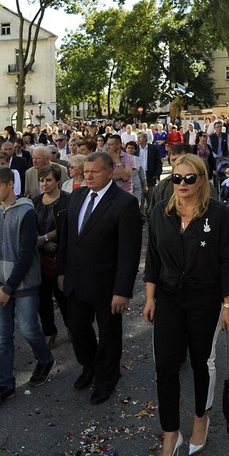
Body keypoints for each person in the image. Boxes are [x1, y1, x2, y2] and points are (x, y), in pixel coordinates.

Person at [143, 154, 229, 456]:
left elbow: (227, 261)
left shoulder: (218, 213)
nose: (182, 184)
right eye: (177, 178)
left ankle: (201, 418)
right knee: (165, 366)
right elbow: (153, 259)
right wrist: (148, 298)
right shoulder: (160, 211)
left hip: (205, 298)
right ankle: (171, 433)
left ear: (201, 180)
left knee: (202, 361)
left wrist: (228, 304)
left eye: (189, 178)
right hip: (169, 297)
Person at [57, 152, 142, 405]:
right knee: (77, 326)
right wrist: (61, 270)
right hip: (75, 281)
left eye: (94, 171)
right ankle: (90, 366)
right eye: (86, 171)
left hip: (107, 287)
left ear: (110, 171)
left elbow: (129, 252)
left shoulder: (125, 203)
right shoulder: (78, 195)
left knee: (109, 335)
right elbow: (67, 237)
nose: (88, 175)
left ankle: (107, 377)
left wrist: (122, 290)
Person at [0, 167, 55, 410]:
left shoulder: (26, 213)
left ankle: (44, 360)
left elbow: (26, 255)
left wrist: (9, 287)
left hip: (22, 285)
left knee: (29, 329)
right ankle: (6, 384)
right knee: (3, 337)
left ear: (10, 185)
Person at [32, 165, 70, 348]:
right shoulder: (36, 201)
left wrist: (46, 238)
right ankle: (49, 331)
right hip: (40, 256)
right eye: (41, 180)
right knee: (42, 299)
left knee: (63, 297)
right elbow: (30, 226)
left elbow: (66, 226)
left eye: (48, 180)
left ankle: (72, 327)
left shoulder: (67, 200)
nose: (44, 184)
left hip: (60, 255)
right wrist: (42, 241)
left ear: (57, 181)